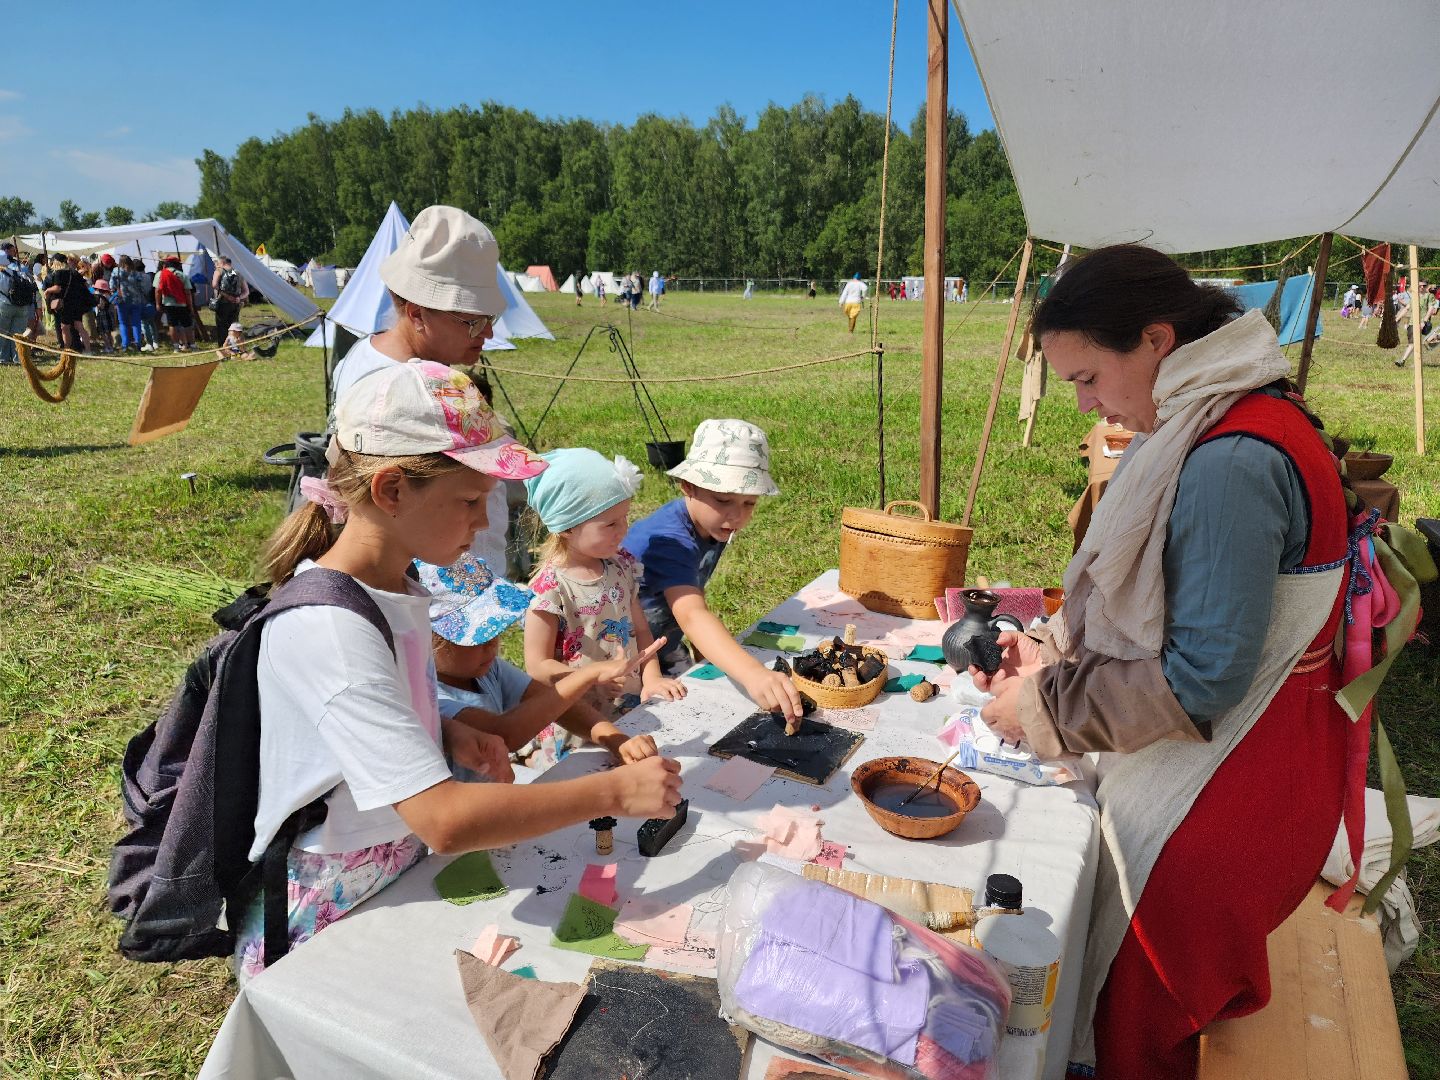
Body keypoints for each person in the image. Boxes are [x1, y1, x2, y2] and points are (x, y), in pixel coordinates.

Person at [969, 245, 1353, 1079]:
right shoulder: (1234, 412)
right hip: (1264, 765)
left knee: (1131, 1026)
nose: (1085, 404)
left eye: (1087, 378)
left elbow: (1200, 678)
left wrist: (1042, 709)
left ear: (1154, 339)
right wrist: (1049, 654)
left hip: (1218, 804)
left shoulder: (1230, 460)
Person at [237, 360, 682, 980]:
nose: (483, 521)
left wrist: (442, 728)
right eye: (471, 500)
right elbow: (444, 821)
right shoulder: (330, 629)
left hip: (394, 862)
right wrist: (613, 792)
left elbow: (369, 716)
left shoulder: (403, 587)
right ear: (392, 490)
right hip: (329, 904)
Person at [422, 552, 662, 777]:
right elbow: (505, 733)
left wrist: (615, 738)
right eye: (478, 637)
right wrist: (587, 675)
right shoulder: (431, 698)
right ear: (428, 640)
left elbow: (556, 703)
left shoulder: (488, 669)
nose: (491, 645)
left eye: (493, 632)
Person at [623, 420, 801, 720]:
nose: (737, 515)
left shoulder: (712, 523)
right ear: (688, 486)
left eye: (749, 503)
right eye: (723, 499)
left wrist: (706, 648)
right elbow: (691, 614)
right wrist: (753, 673)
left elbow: (691, 590)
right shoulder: (671, 540)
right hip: (621, 656)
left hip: (662, 643)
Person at [523, 449, 687, 720]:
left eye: (625, 517)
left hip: (629, 705)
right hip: (578, 717)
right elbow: (537, 666)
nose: (623, 529)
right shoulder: (551, 588)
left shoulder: (621, 566)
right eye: (610, 523)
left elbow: (642, 631)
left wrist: (653, 679)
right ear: (567, 527)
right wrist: (591, 678)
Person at [330, 205, 505, 405]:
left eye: (490, 318)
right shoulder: (404, 397)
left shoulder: (362, 354)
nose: (489, 333)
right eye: (474, 322)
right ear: (418, 315)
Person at [43, 254, 90, 352]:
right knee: (80, 327)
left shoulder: (59, 273)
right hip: (77, 303)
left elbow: (57, 288)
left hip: (67, 304)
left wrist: (47, 291)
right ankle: (88, 350)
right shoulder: (74, 273)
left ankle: (66, 351)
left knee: (65, 328)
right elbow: (85, 284)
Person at [0, 250, 36, 365]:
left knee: (3, 333)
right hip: (22, 306)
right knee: (18, 334)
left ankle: (3, 358)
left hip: (5, 305)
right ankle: (18, 358)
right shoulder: (18, 272)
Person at [155, 257, 195, 351]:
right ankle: (193, 346)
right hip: (182, 304)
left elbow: (158, 291)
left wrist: (158, 304)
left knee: (172, 325)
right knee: (187, 325)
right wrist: (190, 306)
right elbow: (188, 292)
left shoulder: (160, 274)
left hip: (168, 304)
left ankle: (176, 347)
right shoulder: (182, 275)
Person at [212, 256, 249, 345]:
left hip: (223, 303)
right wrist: (239, 298)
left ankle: (223, 347)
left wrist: (226, 296)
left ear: (222, 263)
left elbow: (214, 285)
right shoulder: (239, 273)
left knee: (222, 326)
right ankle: (234, 345)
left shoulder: (219, 271)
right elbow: (246, 291)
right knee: (233, 326)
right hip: (235, 304)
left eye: (218, 263)